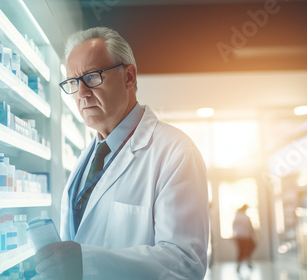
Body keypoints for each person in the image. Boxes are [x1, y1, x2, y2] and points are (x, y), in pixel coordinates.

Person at [34, 27, 209, 280]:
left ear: (129, 77)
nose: (81, 93)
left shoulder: (176, 151)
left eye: (92, 77)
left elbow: (185, 263)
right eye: (73, 82)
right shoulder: (87, 159)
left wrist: (87, 263)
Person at [232, 204, 256, 272]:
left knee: (241, 251)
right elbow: (250, 227)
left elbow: (233, 226)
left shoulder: (237, 216)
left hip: (239, 236)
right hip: (245, 236)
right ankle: (247, 261)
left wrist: (233, 235)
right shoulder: (245, 217)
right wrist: (253, 235)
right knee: (246, 249)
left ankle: (242, 264)